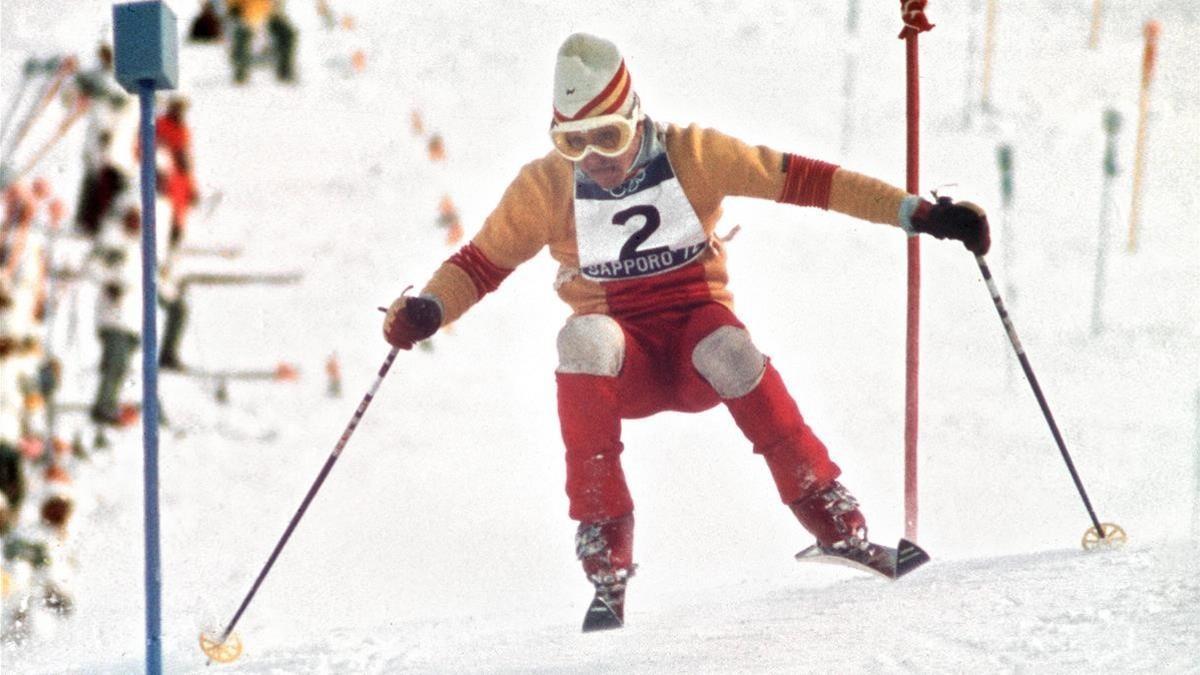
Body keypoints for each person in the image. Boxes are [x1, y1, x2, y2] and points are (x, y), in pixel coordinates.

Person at [381, 33, 989, 632]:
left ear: (635, 118)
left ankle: (833, 517)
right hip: (628, 365)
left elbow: (811, 182)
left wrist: (921, 214)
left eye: (608, 136)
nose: (595, 157)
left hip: (697, 346)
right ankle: (604, 541)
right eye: (573, 142)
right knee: (582, 339)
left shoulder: (694, 154)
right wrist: (428, 309)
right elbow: (479, 264)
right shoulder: (546, 186)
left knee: (729, 347)